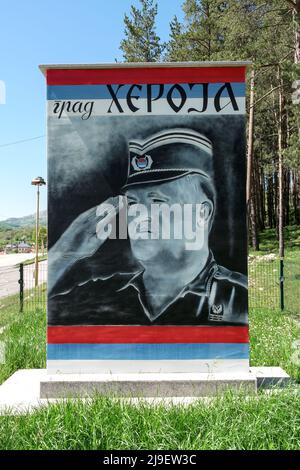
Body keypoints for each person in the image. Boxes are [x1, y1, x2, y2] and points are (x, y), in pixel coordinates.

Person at [48, 128, 248, 326]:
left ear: (202, 213)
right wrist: (66, 251)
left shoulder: (236, 299)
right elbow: (52, 316)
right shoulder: (104, 293)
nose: (139, 215)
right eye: (133, 203)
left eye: (157, 201)